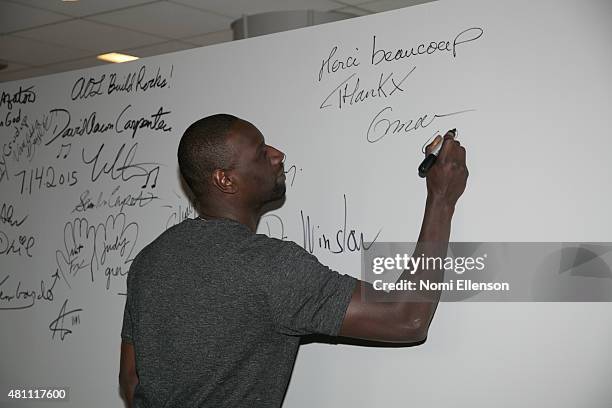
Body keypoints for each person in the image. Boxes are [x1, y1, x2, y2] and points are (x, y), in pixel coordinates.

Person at [119, 114, 468, 407]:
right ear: (225, 179)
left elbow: (131, 380)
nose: (277, 154)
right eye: (260, 153)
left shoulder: (149, 261)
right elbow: (406, 318)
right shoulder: (268, 265)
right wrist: (442, 199)